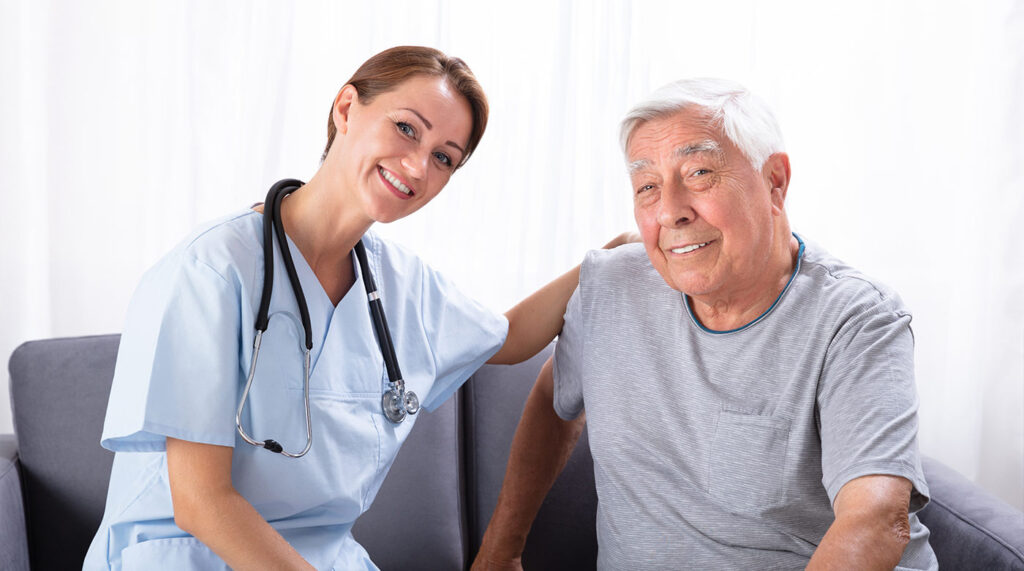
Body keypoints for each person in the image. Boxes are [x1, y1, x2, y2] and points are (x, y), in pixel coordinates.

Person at [84, 46, 630, 570]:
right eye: (406, 128)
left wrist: (613, 258)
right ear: (346, 108)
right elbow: (201, 503)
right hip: (189, 554)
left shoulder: (400, 283)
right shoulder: (211, 269)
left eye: (443, 158)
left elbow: (508, 338)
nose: (417, 167)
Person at [473, 78, 938, 570]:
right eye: (647, 186)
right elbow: (554, 398)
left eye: (699, 173)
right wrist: (501, 550)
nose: (670, 210)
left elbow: (874, 520)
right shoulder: (612, 284)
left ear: (775, 182)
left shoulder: (858, 319)